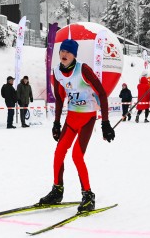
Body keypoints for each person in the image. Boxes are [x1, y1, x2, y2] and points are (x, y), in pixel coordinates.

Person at [38, 39, 115, 213]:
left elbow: (101, 93)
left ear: (74, 55)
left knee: (77, 156)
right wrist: (56, 123)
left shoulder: (83, 69)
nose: (64, 54)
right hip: (71, 119)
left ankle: (88, 195)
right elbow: (59, 98)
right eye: (62, 51)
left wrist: (105, 123)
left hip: (87, 119)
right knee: (59, 153)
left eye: (69, 52)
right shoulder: (57, 72)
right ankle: (57, 190)